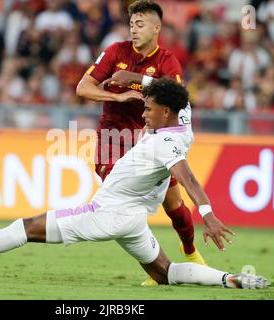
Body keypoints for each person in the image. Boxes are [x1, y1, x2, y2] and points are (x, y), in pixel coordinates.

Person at [0, 79, 269, 289]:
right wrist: (142, 82)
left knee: (26, 228)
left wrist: (207, 213)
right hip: (132, 218)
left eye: (148, 108)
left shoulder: (164, 143)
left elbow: (187, 178)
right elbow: (179, 92)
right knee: (165, 272)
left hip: (107, 213)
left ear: (166, 114)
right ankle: (230, 280)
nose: (143, 113)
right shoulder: (181, 122)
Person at [76, 0, 202, 286]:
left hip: (151, 141)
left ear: (157, 27)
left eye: (140, 24)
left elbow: (178, 96)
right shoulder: (114, 51)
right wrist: (118, 97)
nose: (134, 29)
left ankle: (191, 253)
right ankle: (157, 270)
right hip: (113, 138)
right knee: (124, 203)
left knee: (174, 205)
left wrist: (135, 79)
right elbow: (83, 87)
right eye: (132, 24)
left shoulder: (168, 60)